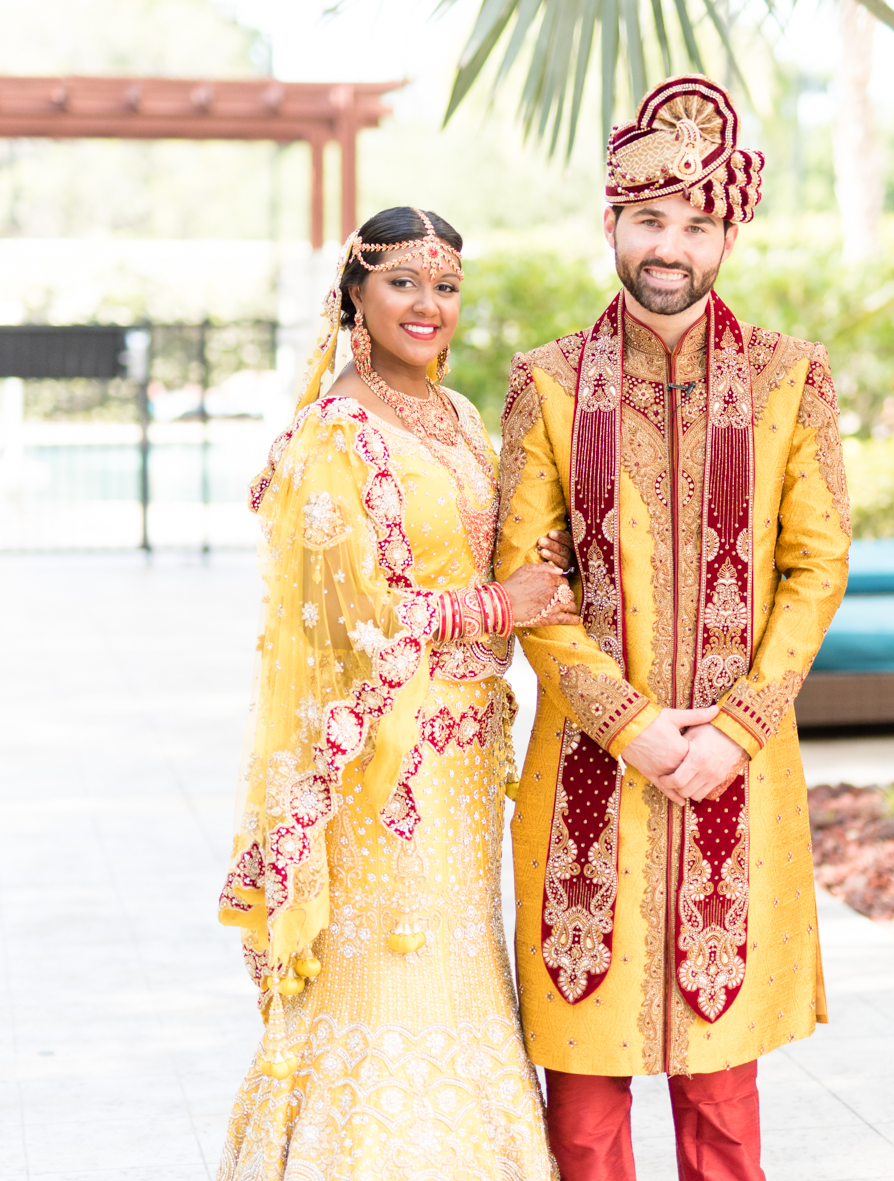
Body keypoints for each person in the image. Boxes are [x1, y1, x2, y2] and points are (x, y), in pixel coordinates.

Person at [496, 76, 851, 1181]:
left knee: (721, 1090)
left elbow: (816, 563)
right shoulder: (545, 384)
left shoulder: (790, 377)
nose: (671, 245)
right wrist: (635, 727)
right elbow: (525, 576)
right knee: (586, 1101)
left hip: (734, 763)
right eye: (650, 219)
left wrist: (732, 730)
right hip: (591, 768)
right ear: (611, 222)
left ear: (728, 234)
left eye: (697, 224)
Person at [218, 205, 574, 1179]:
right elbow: (346, 618)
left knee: (463, 973)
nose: (427, 304)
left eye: (445, 285)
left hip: (465, 763)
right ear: (355, 292)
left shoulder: (455, 416)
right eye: (403, 282)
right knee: (387, 979)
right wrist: (496, 603)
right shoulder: (335, 432)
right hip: (384, 770)